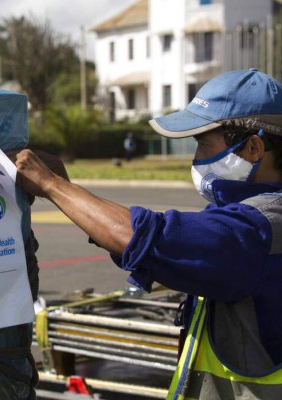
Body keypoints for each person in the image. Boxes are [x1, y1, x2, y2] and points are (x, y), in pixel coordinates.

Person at [14, 69, 282, 399]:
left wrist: (53, 186)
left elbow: (148, 238)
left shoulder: (259, 229)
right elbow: (163, 251)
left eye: (201, 144)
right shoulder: (246, 215)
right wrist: (73, 195)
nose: (196, 158)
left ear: (253, 148)